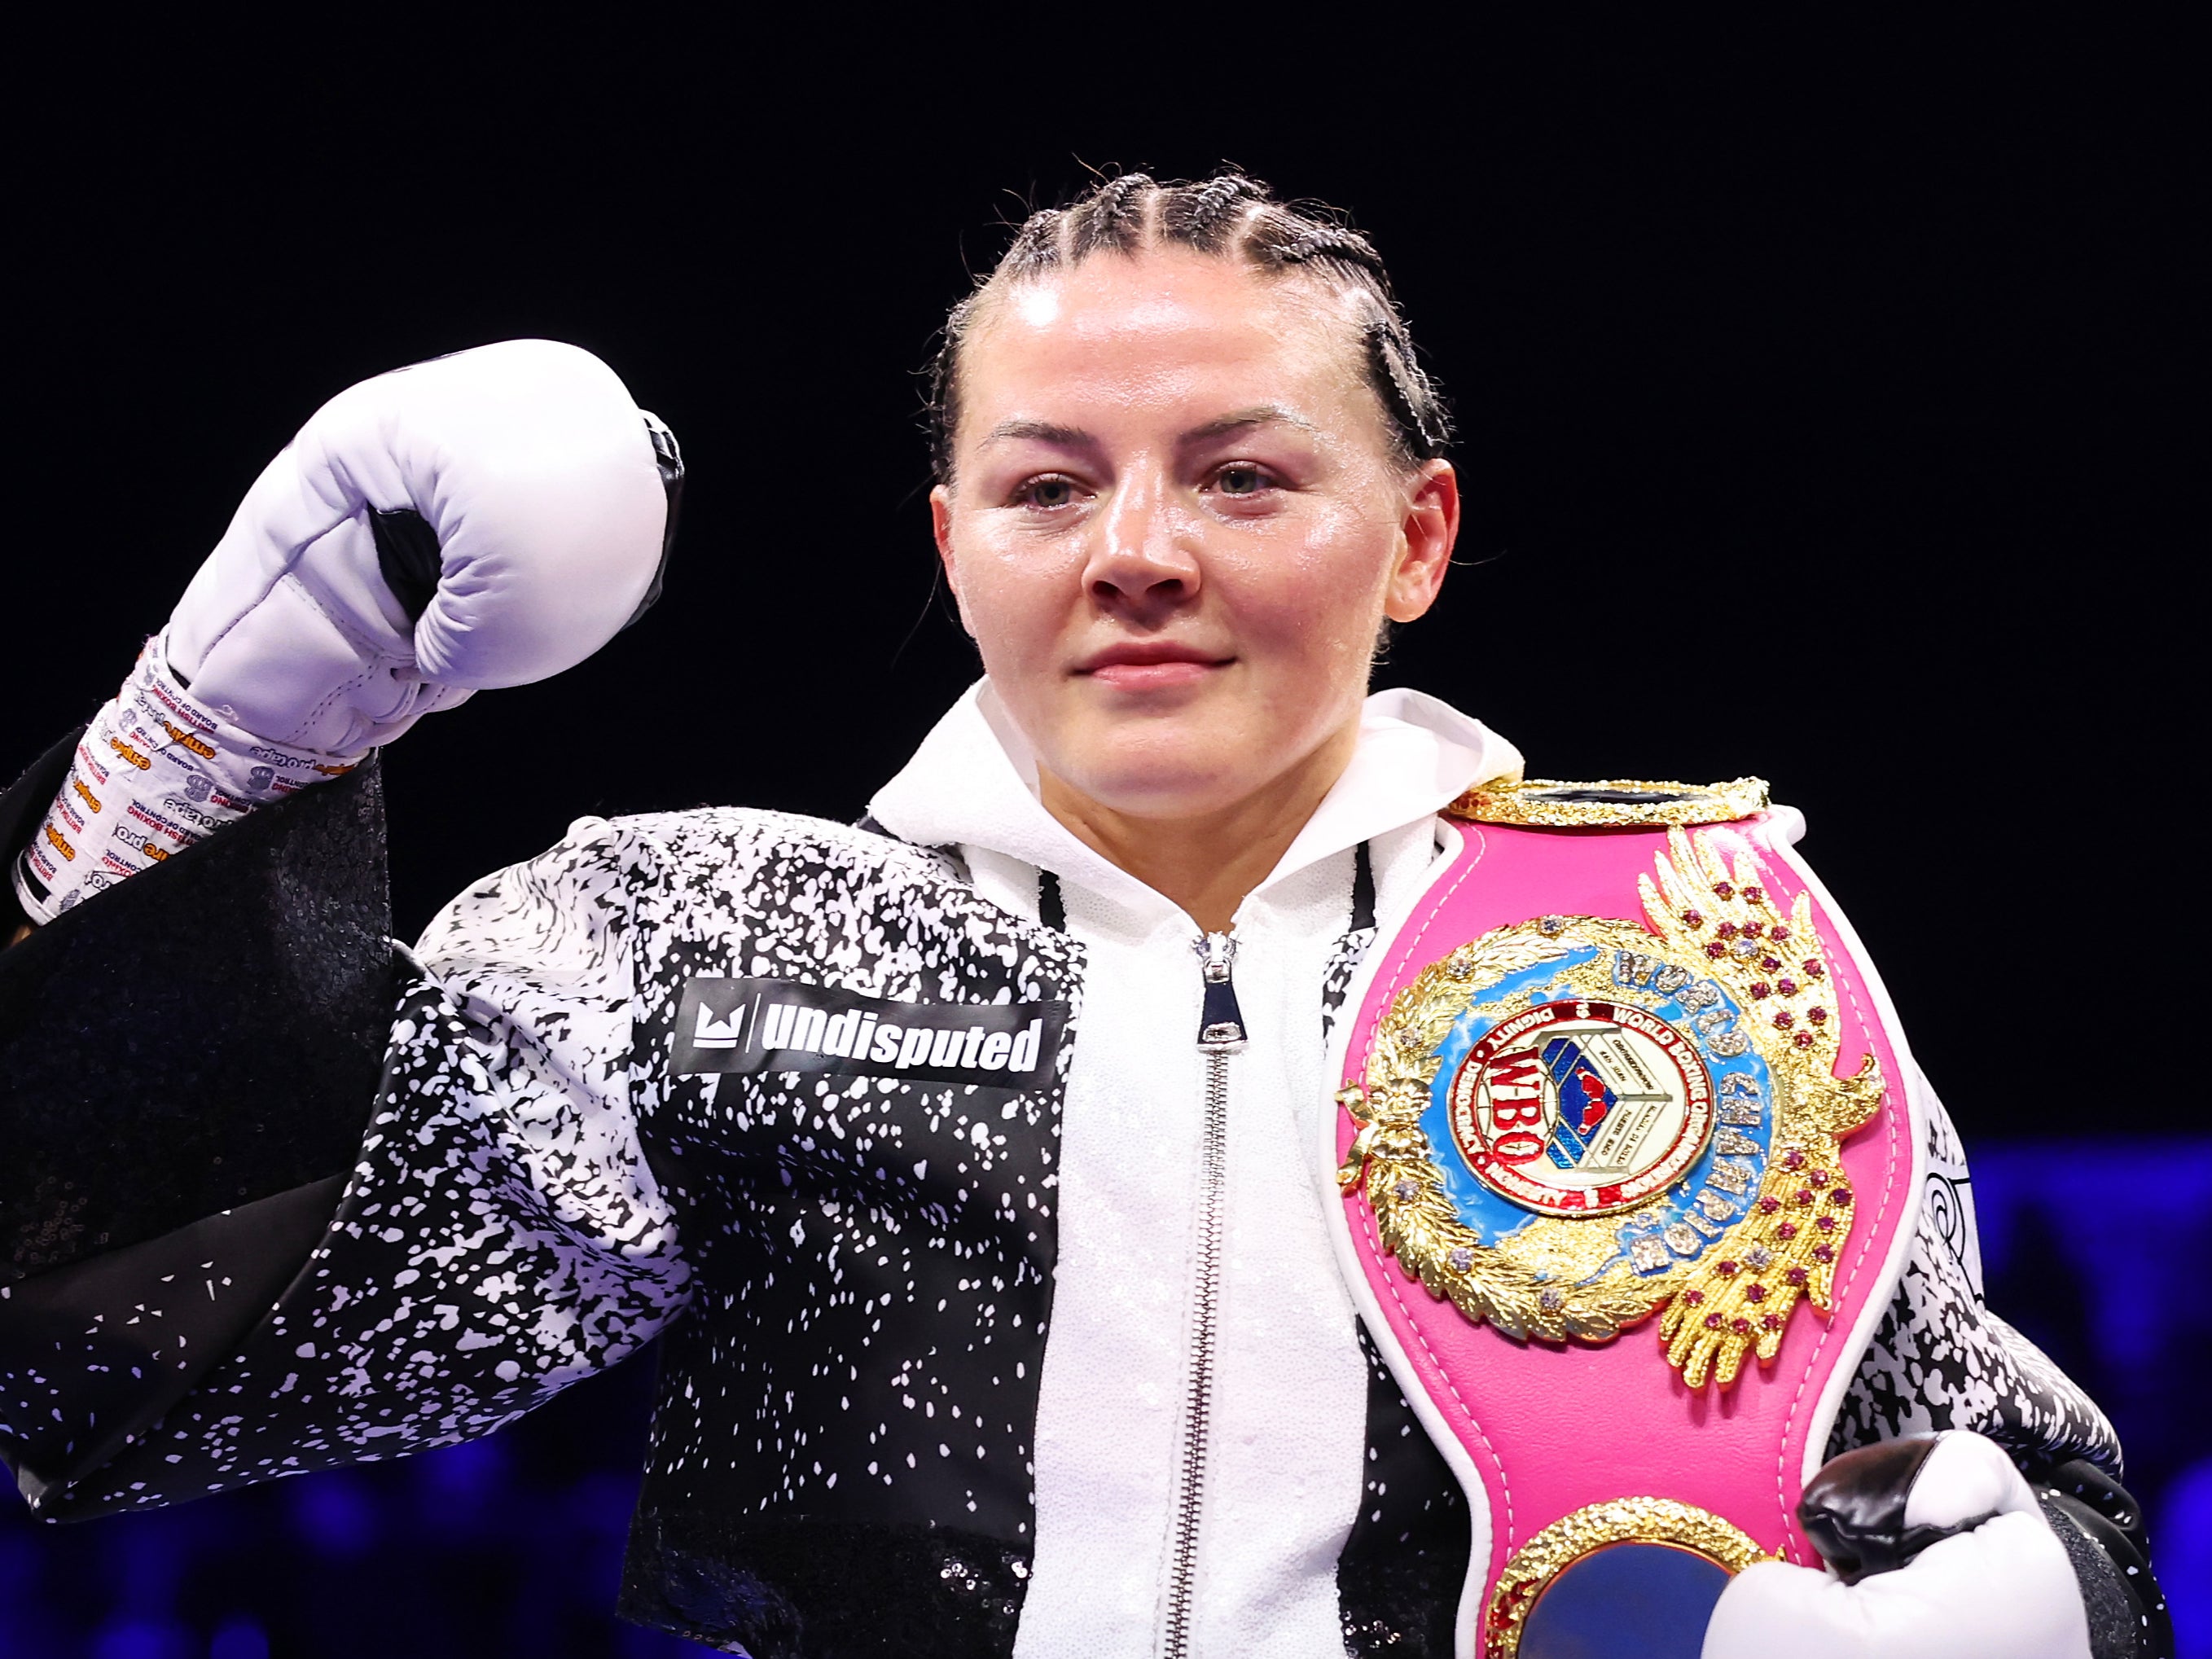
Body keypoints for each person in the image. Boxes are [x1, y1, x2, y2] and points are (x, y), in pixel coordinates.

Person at [0, 173, 2170, 1659]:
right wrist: (199, 748)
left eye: (1240, 473)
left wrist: (2034, 1590)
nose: (1134, 550)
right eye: (1049, 483)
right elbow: (119, 1370)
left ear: (1413, 535)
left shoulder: (1684, 958)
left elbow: (2004, 1478)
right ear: (953, 543)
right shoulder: (684, 940)